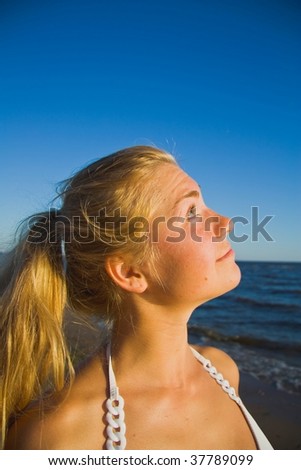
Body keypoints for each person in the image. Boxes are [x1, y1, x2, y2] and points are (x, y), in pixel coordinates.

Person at [0, 146, 272, 450]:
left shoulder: (222, 368)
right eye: (191, 212)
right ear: (130, 272)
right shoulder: (57, 437)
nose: (225, 222)